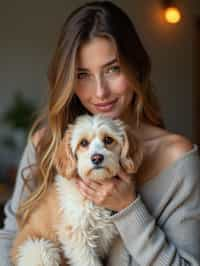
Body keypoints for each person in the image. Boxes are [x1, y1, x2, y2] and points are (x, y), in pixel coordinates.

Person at [1, 1, 200, 265]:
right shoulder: (45, 142)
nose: (100, 92)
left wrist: (129, 209)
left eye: (113, 69)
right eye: (82, 74)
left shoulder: (177, 158)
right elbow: (10, 238)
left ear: (137, 67)